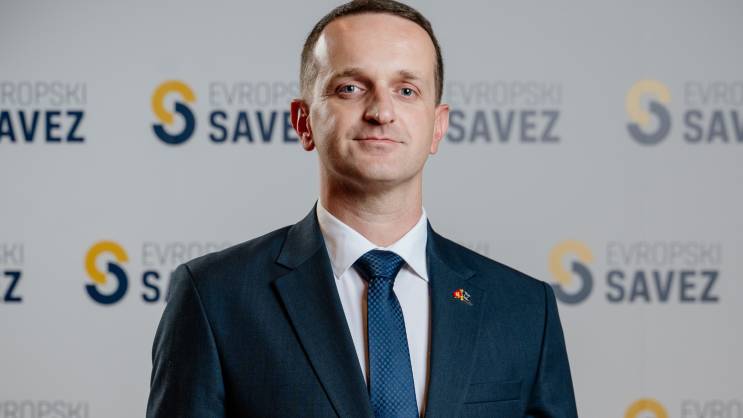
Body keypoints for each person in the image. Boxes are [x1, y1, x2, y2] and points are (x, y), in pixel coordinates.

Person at [146, 1, 578, 417]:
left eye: (406, 90)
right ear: (303, 122)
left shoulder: (524, 309)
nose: (381, 112)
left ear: (438, 125)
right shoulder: (214, 297)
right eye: (350, 88)